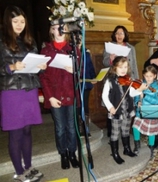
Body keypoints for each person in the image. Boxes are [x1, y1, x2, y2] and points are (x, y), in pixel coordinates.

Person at [0, 6, 46, 182]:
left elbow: (33, 67)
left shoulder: (29, 41)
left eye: (22, 21)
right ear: (8, 22)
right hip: (12, 92)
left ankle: (28, 166)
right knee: (16, 133)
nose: (19, 25)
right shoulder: (2, 40)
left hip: (29, 90)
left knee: (27, 130)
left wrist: (41, 67)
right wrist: (11, 67)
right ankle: (19, 171)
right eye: (15, 21)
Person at [39, 24, 80, 170]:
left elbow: (81, 70)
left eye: (63, 27)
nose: (60, 30)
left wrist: (74, 70)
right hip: (55, 95)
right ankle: (63, 154)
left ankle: (72, 153)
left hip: (70, 94)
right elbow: (43, 77)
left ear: (68, 30)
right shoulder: (46, 50)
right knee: (60, 127)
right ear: (51, 30)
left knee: (71, 126)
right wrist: (49, 97)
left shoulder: (73, 49)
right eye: (56, 27)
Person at [102, 56, 147, 165]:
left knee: (126, 131)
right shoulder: (110, 80)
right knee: (115, 133)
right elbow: (104, 96)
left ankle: (126, 149)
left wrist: (139, 91)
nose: (123, 69)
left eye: (125, 67)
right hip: (116, 112)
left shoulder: (128, 80)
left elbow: (131, 93)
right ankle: (115, 153)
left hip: (127, 110)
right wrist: (110, 107)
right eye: (120, 67)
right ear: (114, 68)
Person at [102, 25, 139, 137]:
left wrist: (136, 80)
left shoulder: (131, 48)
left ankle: (125, 133)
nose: (119, 35)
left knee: (126, 103)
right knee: (113, 103)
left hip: (127, 79)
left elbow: (134, 65)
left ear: (125, 35)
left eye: (121, 33)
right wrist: (110, 59)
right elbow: (104, 62)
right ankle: (112, 132)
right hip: (114, 78)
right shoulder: (109, 47)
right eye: (117, 33)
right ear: (114, 35)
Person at [132, 65, 158, 159]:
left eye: (150, 76)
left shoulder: (157, 88)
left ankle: (151, 148)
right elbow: (136, 97)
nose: (148, 78)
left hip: (151, 112)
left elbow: (157, 101)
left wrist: (144, 96)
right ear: (143, 75)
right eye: (146, 76)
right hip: (140, 111)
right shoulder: (141, 84)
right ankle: (137, 146)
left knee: (151, 132)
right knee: (135, 127)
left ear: (155, 76)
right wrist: (138, 102)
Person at [79, 44, 97, 137]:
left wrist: (93, 77)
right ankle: (78, 128)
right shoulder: (69, 51)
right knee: (77, 106)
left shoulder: (85, 52)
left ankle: (85, 128)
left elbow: (90, 66)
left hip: (86, 84)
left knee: (85, 105)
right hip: (74, 85)